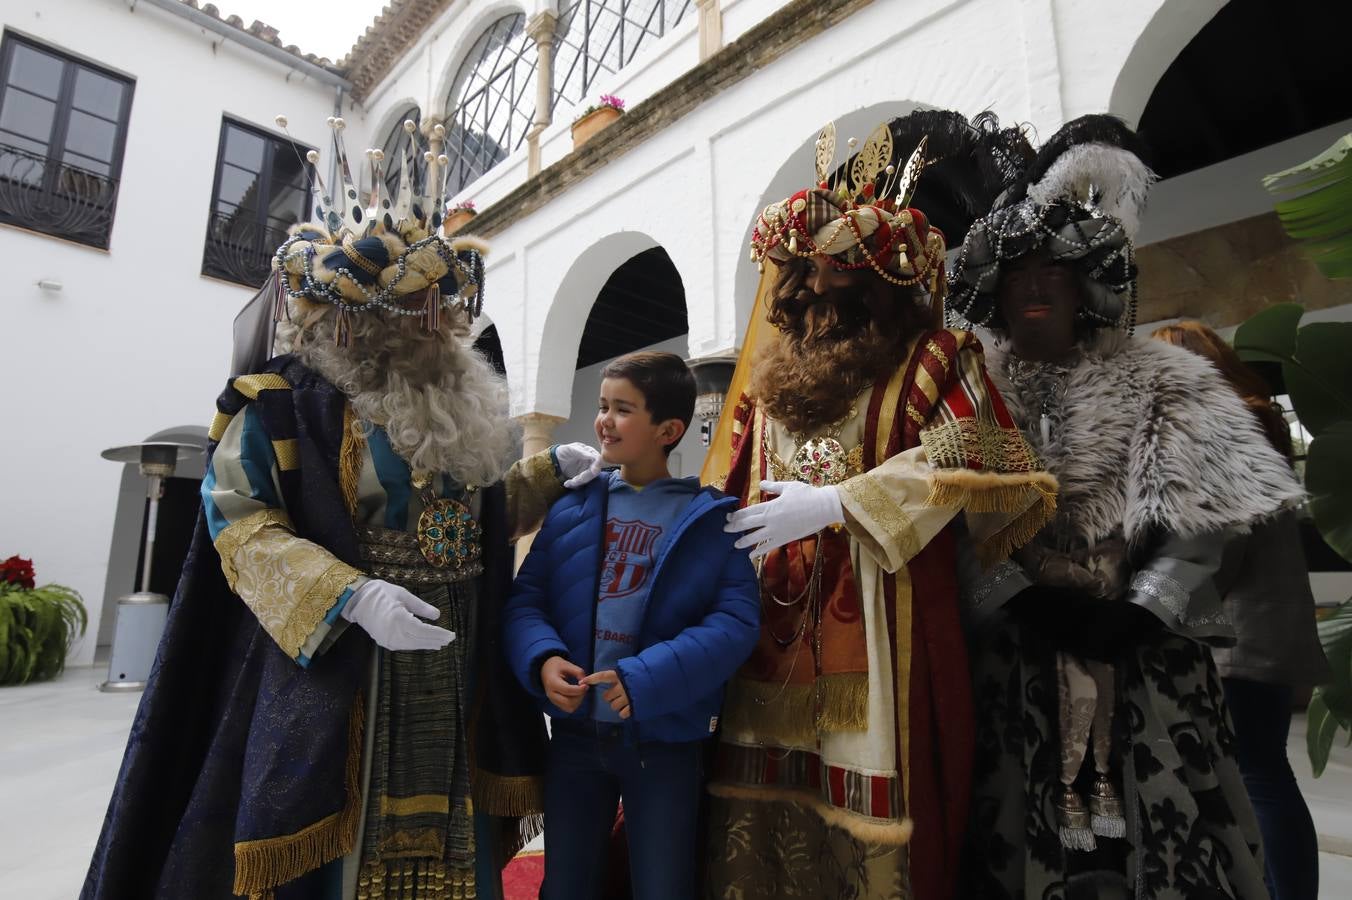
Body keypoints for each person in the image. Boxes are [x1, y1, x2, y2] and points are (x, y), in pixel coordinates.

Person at [82, 119, 602, 900]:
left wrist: (549, 473)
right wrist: (350, 597)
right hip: (343, 660)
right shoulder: (286, 405)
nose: (435, 334)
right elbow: (242, 524)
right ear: (352, 322)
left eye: (440, 317)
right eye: (415, 318)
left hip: (458, 651)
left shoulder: (457, 405)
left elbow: (474, 514)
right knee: (343, 849)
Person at [948, 115, 1306, 900]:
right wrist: (1023, 601)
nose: (1037, 284)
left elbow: (1205, 520)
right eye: (1018, 275)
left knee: (1166, 848)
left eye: (1056, 272)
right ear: (996, 298)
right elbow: (954, 529)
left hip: (1151, 667)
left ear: (1087, 288)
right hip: (1016, 675)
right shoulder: (969, 405)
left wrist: (1139, 612)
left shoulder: (1164, 379)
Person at [707, 112, 1059, 900]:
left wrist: (842, 503)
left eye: (842, 275)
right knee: (756, 773)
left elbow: (981, 453)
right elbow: (727, 481)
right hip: (764, 611)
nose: (820, 291)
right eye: (806, 274)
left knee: (866, 778)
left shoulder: (935, 357)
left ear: (886, 280)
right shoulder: (768, 376)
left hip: (877, 605)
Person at [503, 350, 760, 900]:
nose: (604, 421)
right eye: (602, 406)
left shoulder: (711, 519)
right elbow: (527, 600)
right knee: (566, 882)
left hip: (664, 741)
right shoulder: (571, 508)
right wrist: (543, 658)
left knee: (663, 884)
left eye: (623, 409)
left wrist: (646, 679)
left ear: (668, 429)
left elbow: (735, 623)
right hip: (575, 739)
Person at [1153, 320, 1331, 900]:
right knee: (1265, 771)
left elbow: (1218, 548)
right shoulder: (1255, 425)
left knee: (1258, 776)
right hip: (1263, 630)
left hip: (1239, 634)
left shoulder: (1221, 433)